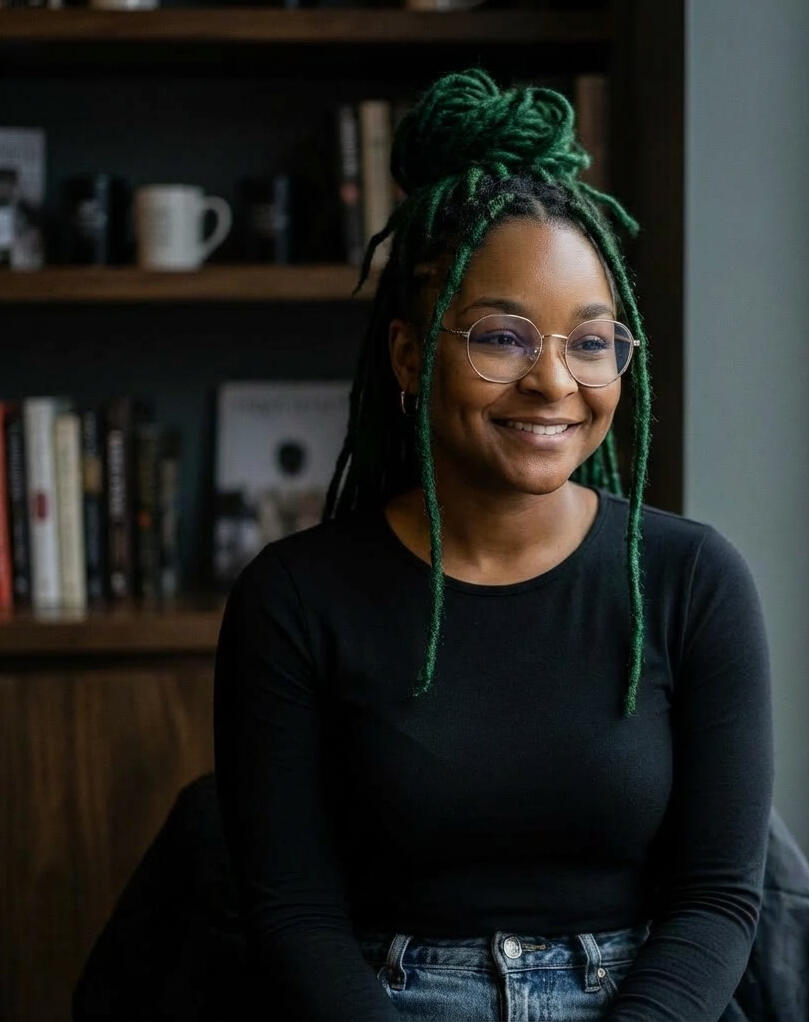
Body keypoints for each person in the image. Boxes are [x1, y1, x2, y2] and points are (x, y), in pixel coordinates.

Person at [213, 67, 774, 1021]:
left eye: (591, 342)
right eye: (502, 337)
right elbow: (293, 913)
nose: (553, 381)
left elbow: (718, 901)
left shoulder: (693, 580)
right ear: (407, 354)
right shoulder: (296, 598)